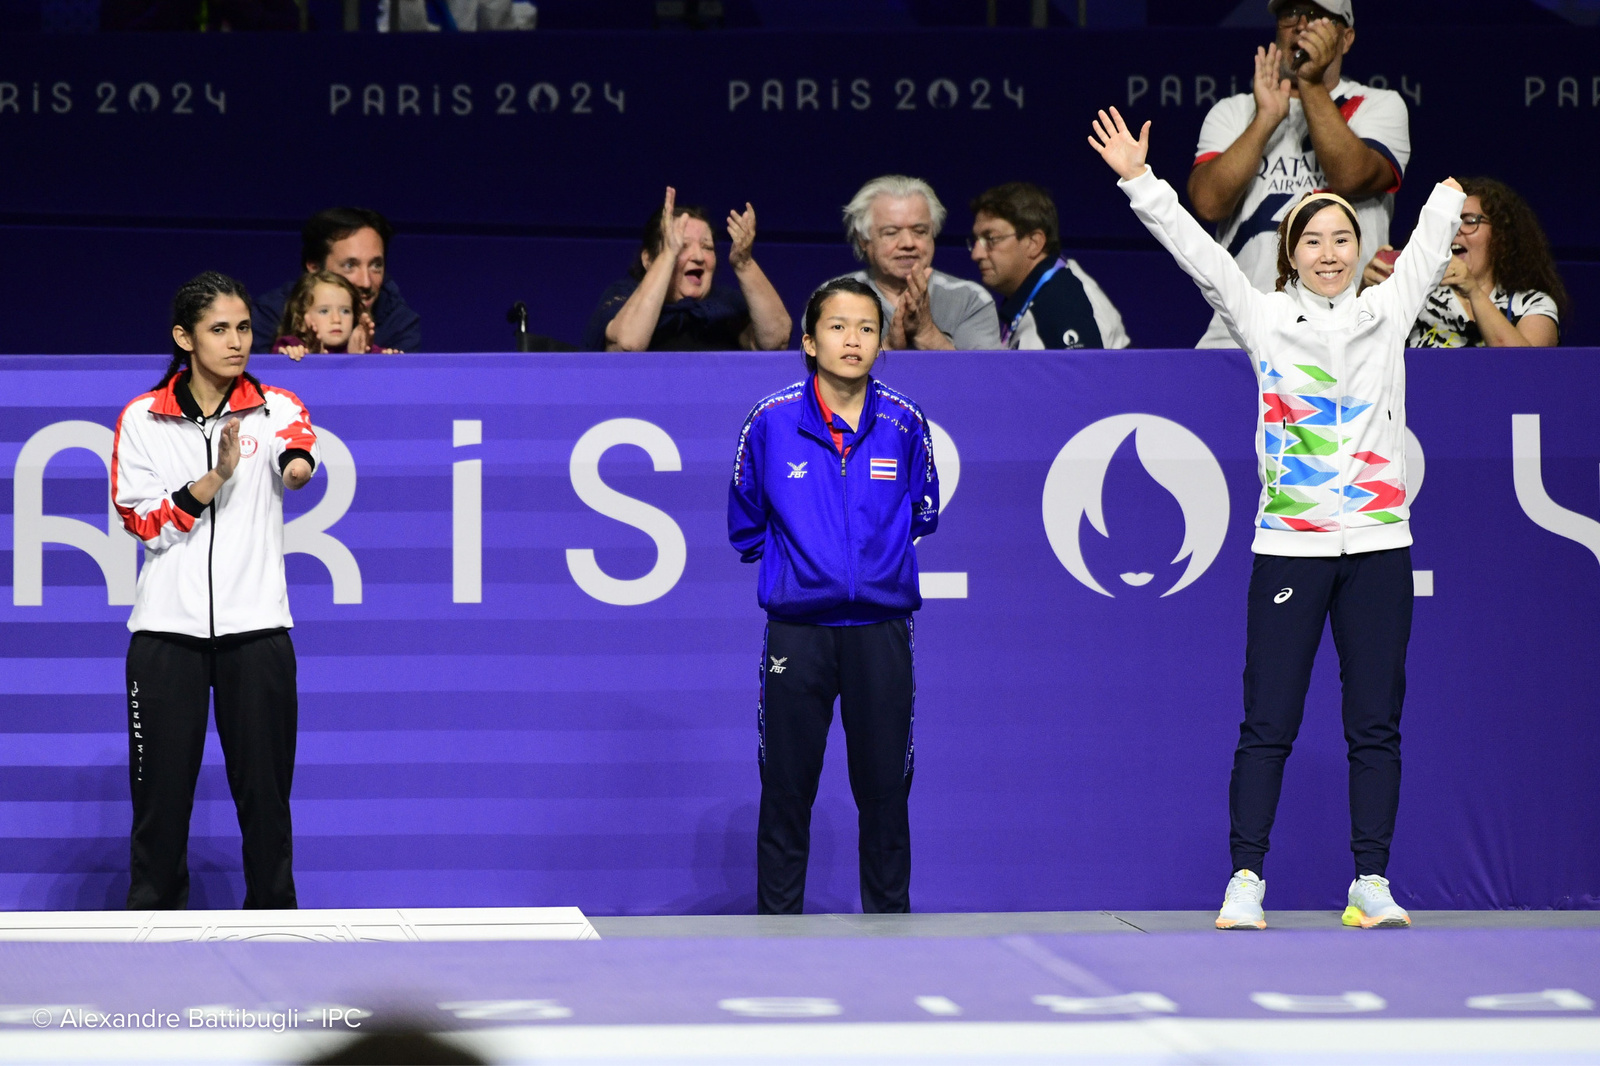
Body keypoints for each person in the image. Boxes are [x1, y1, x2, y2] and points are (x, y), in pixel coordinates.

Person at [1090, 106, 1465, 930]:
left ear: (1360, 250)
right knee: (1269, 723)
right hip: (1288, 550)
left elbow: (1437, 239)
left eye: (1342, 239)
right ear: (1290, 256)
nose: (1330, 254)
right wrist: (1140, 183)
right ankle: (1246, 880)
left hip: (1378, 549)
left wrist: (1444, 201)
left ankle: (1371, 882)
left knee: (1376, 724)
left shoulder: (1386, 314)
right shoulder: (1261, 316)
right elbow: (1196, 252)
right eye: (1313, 241)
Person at [727, 276, 940, 915]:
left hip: (882, 630)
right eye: (839, 327)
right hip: (799, 633)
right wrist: (807, 570)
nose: (853, 340)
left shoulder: (905, 423)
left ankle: (890, 931)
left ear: (883, 343)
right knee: (787, 788)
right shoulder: (768, 423)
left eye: (867, 328)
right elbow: (745, 520)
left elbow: (923, 512)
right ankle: (777, 933)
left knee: (884, 791)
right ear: (810, 340)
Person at [113, 271, 321, 910]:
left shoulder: (276, 405)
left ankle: (276, 935)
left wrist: (294, 467)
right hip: (164, 639)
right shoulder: (143, 419)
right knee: (160, 806)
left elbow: (299, 454)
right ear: (185, 337)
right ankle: (151, 939)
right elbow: (143, 523)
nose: (237, 342)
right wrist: (214, 479)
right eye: (219, 329)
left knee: (265, 803)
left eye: (244, 328)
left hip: (256, 633)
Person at [1188, 0, 1409, 349]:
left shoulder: (1378, 106)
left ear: (1346, 37)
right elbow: (1208, 203)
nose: (1302, 24)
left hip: (1344, 337)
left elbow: (1350, 176)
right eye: (1290, 13)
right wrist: (1265, 120)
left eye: (1318, 15)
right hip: (1239, 337)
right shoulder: (1235, 111)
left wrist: (1310, 83)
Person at [1363, 177, 1566, 348]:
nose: (1456, 229)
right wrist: (1365, 293)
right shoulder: (1414, 297)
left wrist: (1474, 291)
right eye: (1451, 222)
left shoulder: (1533, 304)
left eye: (1469, 221)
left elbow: (1525, 370)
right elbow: (1359, 350)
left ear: (1501, 235)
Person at [584, 186, 792, 351]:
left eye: (707, 247)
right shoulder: (622, 295)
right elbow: (627, 343)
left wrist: (744, 263)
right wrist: (668, 254)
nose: (699, 257)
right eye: (683, 246)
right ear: (648, 259)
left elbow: (776, 340)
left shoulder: (726, 306)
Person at [842, 175, 1002, 351]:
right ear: (864, 240)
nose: (908, 243)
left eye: (919, 231)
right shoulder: (834, 298)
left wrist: (927, 333)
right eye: (891, 233)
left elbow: (983, 376)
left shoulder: (970, 301)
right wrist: (888, 347)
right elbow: (825, 375)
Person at [968, 181, 1130, 350]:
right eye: (976, 241)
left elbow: (1089, 375)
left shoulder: (1063, 302)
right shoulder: (1040, 296)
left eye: (991, 239)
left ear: (1034, 242)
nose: (976, 254)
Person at [253, 207, 421, 354]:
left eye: (375, 265)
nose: (366, 282)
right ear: (314, 267)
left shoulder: (399, 322)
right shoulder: (270, 315)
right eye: (350, 265)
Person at [271, 271, 401, 358]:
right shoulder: (294, 346)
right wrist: (298, 357)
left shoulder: (362, 349)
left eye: (345, 311)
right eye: (324, 311)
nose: (336, 319)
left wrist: (389, 358)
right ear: (300, 322)